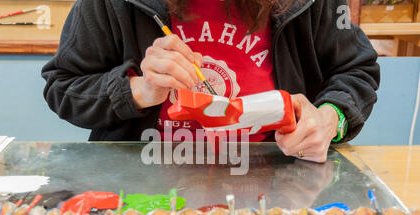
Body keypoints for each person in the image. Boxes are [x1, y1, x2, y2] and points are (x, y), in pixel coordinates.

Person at [42, 0, 380, 163]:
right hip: (144, 184)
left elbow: (356, 71)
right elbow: (63, 87)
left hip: (279, 179)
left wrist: (329, 119)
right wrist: (139, 90)